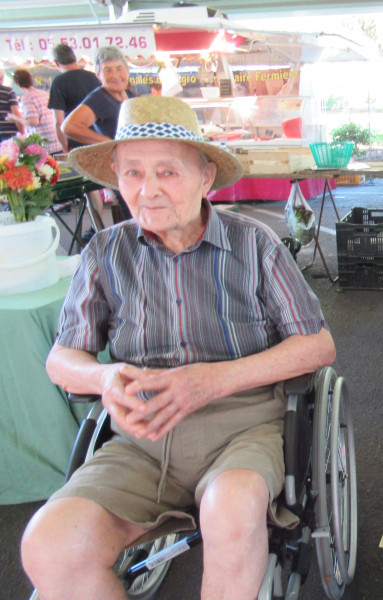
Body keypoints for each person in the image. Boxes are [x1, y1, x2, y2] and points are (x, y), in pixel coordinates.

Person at [20, 95, 336, 600]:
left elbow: (318, 345)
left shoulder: (254, 244)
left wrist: (213, 379)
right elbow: (62, 358)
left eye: (168, 172)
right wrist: (104, 377)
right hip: (139, 440)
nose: (148, 192)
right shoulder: (104, 252)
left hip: (242, 424)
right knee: (48, 543)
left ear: (206, 177)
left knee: (231, 510)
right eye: (132, 174)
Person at [64, 45, 136, 222]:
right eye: (108, 70)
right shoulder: (98, 98)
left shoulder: (129, 95)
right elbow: (69, 126)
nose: (115, 75)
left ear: (127, 71)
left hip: (136, 166)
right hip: (121, 170)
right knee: (135, 219)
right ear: (98, 75)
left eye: (119, 68)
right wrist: (108, 143)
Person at [47, 43, 101, 152]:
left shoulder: (59, 82)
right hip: (98, 139)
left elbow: (59, 122)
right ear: (75, 58)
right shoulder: (93, 78)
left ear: (56, 63)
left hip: (75, 142)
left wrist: (64, 146)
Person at [8, 69, 62, 154]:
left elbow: (33, 122)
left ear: (18, 83)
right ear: (31, 80)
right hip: (57, 141)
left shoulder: (27, 97)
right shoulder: (44, 94)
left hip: (44, 145)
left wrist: (15, 118)